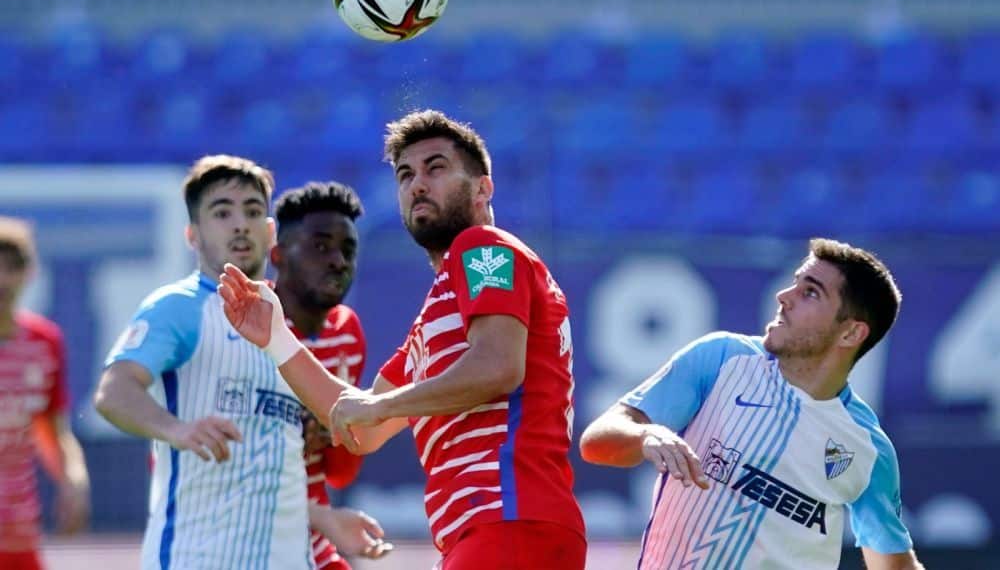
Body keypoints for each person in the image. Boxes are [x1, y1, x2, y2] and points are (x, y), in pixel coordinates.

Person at [218, 110, 587, 569]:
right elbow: (362, 428)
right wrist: (276, 340)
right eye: (406, 174)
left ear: (483, 188)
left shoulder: (485, 246)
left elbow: (497, 367)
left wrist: (382, 406)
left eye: (436, 168)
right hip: (490, 530)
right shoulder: (438, 310)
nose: (417, 185)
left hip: (509, 517)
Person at [579, 238, 924, 570]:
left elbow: (893, 563)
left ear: (850, 334)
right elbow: (596, 443)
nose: (783, 296)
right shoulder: (720, 359)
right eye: (795, 283)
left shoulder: (867, 447)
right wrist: (644, 435)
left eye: (810, 293)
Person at [92, 154, 316, 569]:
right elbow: (113, 392)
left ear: (270, 232)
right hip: (198, 556)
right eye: (221, 212)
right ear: (192, 235)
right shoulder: (178, 307)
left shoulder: (288, 321)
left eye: (252, 211)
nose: (239, 224)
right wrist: (176, 428)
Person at [271, 181, 391, 567]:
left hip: (313, 538)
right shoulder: (249, 327)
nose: (338, 260)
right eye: (320, 246)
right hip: (244, 535)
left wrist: (333, 431)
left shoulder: (346, 331)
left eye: (348, 250)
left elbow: (340, 473)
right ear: (278, 255)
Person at [0, 217, 90, 570]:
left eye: (13, 267)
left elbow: (52, 429)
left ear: (30, 273)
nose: (3, 280)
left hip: (20, 531)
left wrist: (73, 480)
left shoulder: (45, 342)